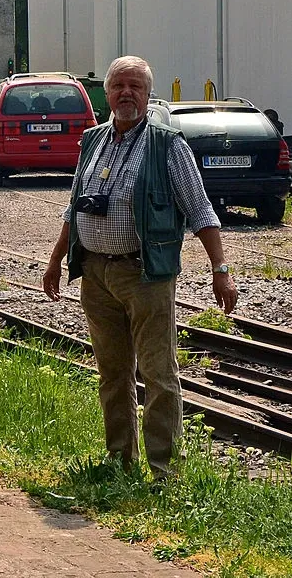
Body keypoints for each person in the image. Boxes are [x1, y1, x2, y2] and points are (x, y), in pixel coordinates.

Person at [42, 55, 238, 481]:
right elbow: (73, 206)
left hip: (145, 274)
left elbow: (200, 208)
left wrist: (219, 267)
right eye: (119, 86)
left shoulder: (169, 145)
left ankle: (164, 471)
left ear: (149, 95)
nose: (126, 93)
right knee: (112, 373)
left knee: (157, 373)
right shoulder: (93, 141)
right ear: (107, 94)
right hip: (95, 274)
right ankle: (119, 461)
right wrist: (56, 260)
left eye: (135, 86)